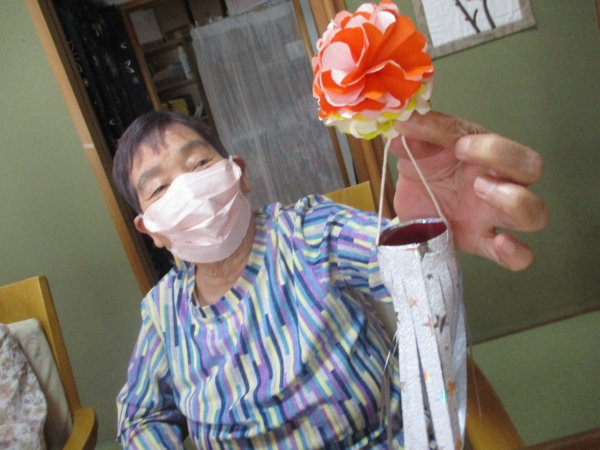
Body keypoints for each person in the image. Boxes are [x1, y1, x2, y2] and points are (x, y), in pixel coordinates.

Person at [113, 110, 548, 449]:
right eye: (159, 189)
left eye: (199, 163)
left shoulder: (309, 231)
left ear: (238, 173)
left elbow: (411, 274)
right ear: (150, 230)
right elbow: (140, 415)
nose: (188, 190)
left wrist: (429, 234)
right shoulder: (163, 311)